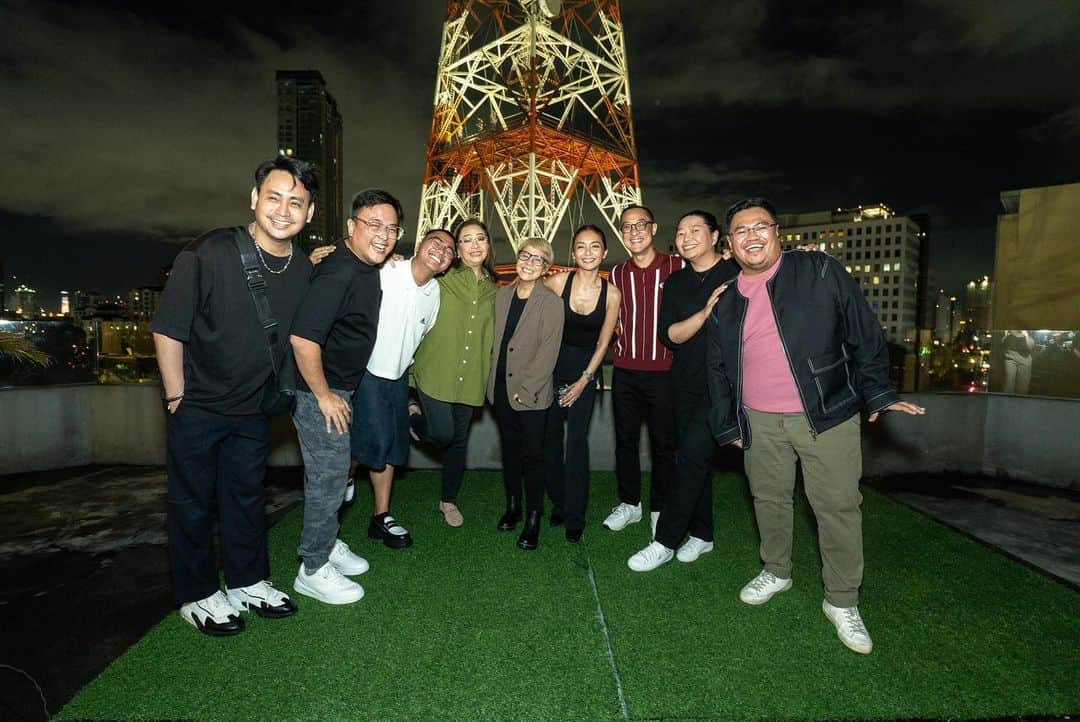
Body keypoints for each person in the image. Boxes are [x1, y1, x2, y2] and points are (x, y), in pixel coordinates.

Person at [706, 197, 925, 655]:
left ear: (777, 231)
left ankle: (842, 600)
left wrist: (879, 392)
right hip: (759, 420)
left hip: (825, 414)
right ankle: (777, 570)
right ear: (728, 245)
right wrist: (728, 424)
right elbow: (719, 368)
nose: (751, 236)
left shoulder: (818, 270)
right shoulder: (725, 301)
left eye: (759, 226)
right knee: (768, 499)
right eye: (740, 231)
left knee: (837, 507)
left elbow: (863, 331)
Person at [151, 156, 316, 636]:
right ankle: (197, 594)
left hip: (253, 409)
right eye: (274, 197)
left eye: (296, 202)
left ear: (308, 212)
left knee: (246, 498)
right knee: (192, 503)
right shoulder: (208, 252)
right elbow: (167, 328)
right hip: (198, 405)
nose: (283, 210)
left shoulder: (304, 269)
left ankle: (248, 581)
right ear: (254, 199)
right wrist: (177, 396)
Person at [288, 189, 400, 605]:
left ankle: (328, 544)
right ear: (352, 227)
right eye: (374, 225)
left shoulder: (364, 266)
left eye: (391, 228)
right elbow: (302, 339)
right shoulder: (340, 271)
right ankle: (312, 567)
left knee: (336, 476)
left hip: (340, 388)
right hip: (321, 391)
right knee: (329, 479)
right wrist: (323, 396)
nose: (384, 235)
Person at [627, 210, 739, 571]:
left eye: (696, 230)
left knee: (691, 456)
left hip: (722, 385)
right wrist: (705, 314)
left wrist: (805, 254)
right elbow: (670, 336)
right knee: (694, 460)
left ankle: (665, 540)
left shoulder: (736, 274)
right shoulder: (675, 282)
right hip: (683, 382)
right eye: (681, 232)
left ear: (715, 235)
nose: (687, 237)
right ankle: (703, 534)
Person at [350, 229, 454, 548]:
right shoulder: (386, 269)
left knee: (393, 448)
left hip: (397, 379)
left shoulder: (435, 293)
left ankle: (381, 517)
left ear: (448, 265)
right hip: (365, 372)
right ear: (420, 244)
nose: (441, 250)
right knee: (366, 443)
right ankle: (340, 483)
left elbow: (419, 337)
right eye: (435, 242)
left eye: (449, 250)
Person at [409, 219, 499, 527]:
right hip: (435, 371)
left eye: (480, 239)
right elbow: (412, 274)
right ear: (457, 250)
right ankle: (411, 415)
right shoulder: (442, 280)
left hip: (471, 376)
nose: (475, 245)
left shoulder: (494, 290)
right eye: (466, 240)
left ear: (488, 246)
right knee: (443, 434)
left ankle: (448, 500)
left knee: (459, 442)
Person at [604, 205, 683, 537]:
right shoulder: (617, 273)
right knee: (625, 441)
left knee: (664, 444)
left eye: (640, 225)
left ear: (653, 229)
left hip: (665, 371)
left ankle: (659, 508)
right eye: (626, 227)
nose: (634, 231)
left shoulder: (677, 266)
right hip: (625, 370)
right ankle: (630, 503)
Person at [542, 225, 620, 542]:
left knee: (576, 443)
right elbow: (528, 296)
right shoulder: (559, 281)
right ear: (573, 253)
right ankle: (558, 502)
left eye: (595, 246)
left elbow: (603, 343)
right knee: (549, 442)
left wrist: (584, 380)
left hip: (585, 373)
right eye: (581, 247)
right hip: (551, 368)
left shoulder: (612, 293)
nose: (588, 252)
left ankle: (576, 513)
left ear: (604, 253)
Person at [488, 237, 565, 550]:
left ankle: (534, 515)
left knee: (533, 456)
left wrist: (527, 388)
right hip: (500, 387)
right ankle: (513, 505)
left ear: (546, 268)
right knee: (510, 451)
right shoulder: (502, 295)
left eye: (538, 259)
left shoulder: (550, 302)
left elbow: (549, 350)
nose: (529, 262)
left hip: (530, 393)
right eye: (525, 255)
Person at [1002, 330, 1034, 394]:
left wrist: (1026, 335)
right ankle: (1006, 401)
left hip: (1025, 358)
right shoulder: (1010, 329)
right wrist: (1006, 334)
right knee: (1009, 382)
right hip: (1010, 356)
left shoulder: (1027, 332)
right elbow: (1003, 342)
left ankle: (1019, 401)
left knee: (1022, 386)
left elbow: (1031, 347)